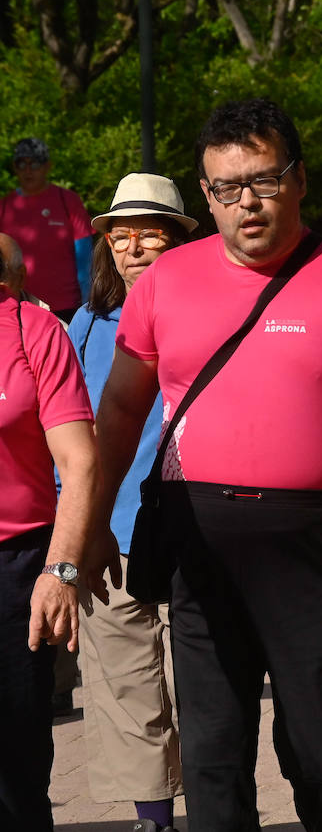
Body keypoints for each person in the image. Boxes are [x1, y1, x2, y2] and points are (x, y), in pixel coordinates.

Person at [91, 98, 322, 832]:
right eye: (225, 186)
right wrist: (87, 523)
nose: (245, 201)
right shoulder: (165, 281)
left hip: (315, 539)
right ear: (205, 193)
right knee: (213, 751)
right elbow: (119, 414)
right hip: (198, 536)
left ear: (300, 179)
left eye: (263, 180)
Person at [68, 173, 195, 832]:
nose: (135, 247)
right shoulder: (86, 324)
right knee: (127, 686)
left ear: (179, 241)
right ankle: (156, 821)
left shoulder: (212, 314)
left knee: (208, 685)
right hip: (109, 533)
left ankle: (220, 807)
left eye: (152, 234)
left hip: (202, 529)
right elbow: (68, 431)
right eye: (122, 235)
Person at [0, 227, 100, 831]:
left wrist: (59, 570)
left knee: (16, 761)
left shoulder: (31, 329)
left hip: (15, 570)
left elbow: (80, 460)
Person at [0, 137, 94, 321]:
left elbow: (86, 261)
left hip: (67, 308)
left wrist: (88, 309)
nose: (28, 170)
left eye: (34, 163)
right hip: (17, 307)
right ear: (14, 167)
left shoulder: (68, 201)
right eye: (21, 163)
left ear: (47, 166)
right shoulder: (5, 207)